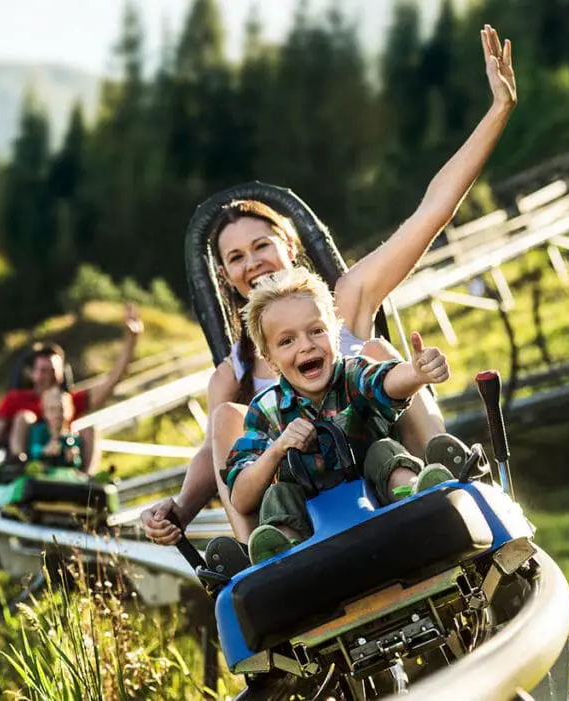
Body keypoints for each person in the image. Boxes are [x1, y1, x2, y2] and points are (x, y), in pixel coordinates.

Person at [141, 24, 517, 546]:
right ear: (226, 277)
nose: (253, 263)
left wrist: (497, 112)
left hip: (380, 456)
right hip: (300, 495)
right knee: (228, 415)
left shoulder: (343, 301)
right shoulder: (236, 372)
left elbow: (432, 210)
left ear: (289, 247)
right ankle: (264, 554)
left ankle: (440, 484)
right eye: (236, 257)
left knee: (379, 350)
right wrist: (179, 507)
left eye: (262, 246)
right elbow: (216, 452)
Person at [225, 268, 454, 564]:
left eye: (316, 331)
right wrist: (276, 450)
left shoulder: (351, 374)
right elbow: (241, 497)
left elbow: (383, 381)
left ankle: (413, 493)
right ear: (270, 360)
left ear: (335, 334)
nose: (306, 345)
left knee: (384, 450)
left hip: (377, 498)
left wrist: (416, 373)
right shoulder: (265, 410)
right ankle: (282, 549)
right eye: (287, 341)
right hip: (311, 529)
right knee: (277, 494)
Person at [0, 302, 144, 473]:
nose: (47, 376)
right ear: (32, 373)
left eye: (53, 371)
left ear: (61, 373)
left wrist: (131, 341)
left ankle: (85, 479)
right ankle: (21, 466)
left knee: (89, 429)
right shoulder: (15, 399)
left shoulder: (68, 401)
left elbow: (111, 380)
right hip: (31, 462)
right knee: (24, 418)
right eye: (42, 371)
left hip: (64, 459)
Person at [26, 386, 83, 468]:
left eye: (61, 410)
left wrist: (73, 458)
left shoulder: (71, 437)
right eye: (52, 410)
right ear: (44, 412)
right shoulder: (40, 430)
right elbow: (34, 450)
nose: (57, 415)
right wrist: (44, 450)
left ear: (69, 411)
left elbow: (77, 462)